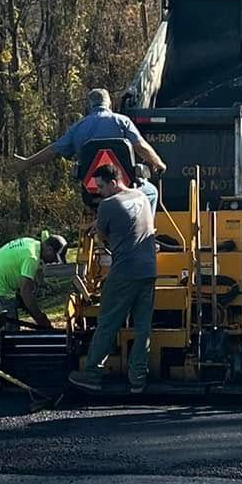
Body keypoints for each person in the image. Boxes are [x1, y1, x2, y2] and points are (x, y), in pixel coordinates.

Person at [67, 164, 157, 397]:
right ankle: (138, 379)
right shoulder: (143, 196)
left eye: (101, 187)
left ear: (113, 183)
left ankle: (92, 374)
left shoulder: (107, 206)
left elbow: (104, 236)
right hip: (148, 270)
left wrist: (97, 226)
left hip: (124, 271)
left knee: (108, 322)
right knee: (143, 327)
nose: (99, 192)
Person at [11, 88, 167, 177]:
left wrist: (28, 162)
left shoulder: (78, 128)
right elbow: (140, 146)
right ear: (109, 104)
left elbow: (53, 151)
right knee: (150, 192)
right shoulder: (122, 121)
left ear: (89, 106)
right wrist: (157, 162)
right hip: (123, 186)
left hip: (92, 192)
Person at [0, 233, 68, 331]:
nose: (54, 261)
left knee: (10, 330)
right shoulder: (32, 257)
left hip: (1, 287)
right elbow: (26, 293)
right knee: (8, 333)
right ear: (49, 249)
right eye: (55, 257)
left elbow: (25, 289)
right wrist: (40, 319)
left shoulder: (32, 243)